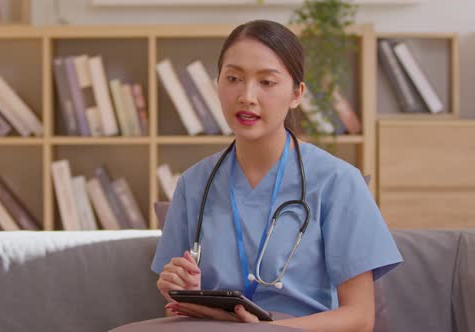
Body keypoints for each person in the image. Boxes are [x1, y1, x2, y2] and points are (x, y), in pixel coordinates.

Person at [150, 19, 403, 332]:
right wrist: (178, 285)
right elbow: (181, 298)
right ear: (217, 84)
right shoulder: (193, 184)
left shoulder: (338, 182)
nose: (247, 96)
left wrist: (269, 330)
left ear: (296, 94)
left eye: (266, 82)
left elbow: (360, 318)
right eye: (233, 78)